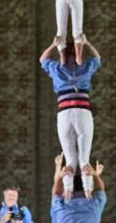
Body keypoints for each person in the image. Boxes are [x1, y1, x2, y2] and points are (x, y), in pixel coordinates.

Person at [41, 38, 102, 198]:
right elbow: (97, 58)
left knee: (70, 160)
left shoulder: (56, 68)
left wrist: (53, 44)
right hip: (82, 110)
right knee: (84, 158)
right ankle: (88, 190)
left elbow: (42, 59)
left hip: (64, 112)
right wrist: (87, 43)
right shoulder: (85, 67)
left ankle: (68, 190)